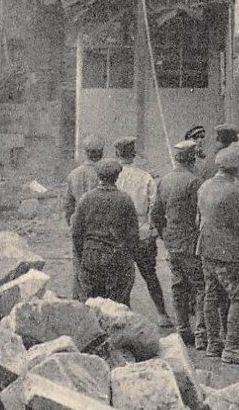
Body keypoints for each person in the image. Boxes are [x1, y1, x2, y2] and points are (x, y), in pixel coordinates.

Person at [197, 145, 239, 365]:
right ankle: (232, 347)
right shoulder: (235, 189)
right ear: (237, 167)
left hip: (206, 247)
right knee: (238, 297)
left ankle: (214, 343)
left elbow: (200, 218)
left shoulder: (205, 186)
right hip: (228, 251)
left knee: (211, 295)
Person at [151, 140, 206, 348]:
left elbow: (155, 213)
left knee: (178, 285)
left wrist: (164, 233)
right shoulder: (194, 182)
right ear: (192, 158)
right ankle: (201, 333)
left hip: (172, 239)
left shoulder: (165, 181)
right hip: (190, 241)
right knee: (201, 286)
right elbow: (200, 216)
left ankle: (183, 329)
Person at [114, 137, 172, 328]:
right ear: (133, 154)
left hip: (120, 234)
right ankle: (162, 314)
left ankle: (124, 314)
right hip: (142, 232)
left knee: (122, 277)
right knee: (150, 275)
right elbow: (155, 207)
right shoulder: (145, 177)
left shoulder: (113, 176)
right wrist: (153, 229)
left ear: (117, 154)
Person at [71, 158, 139, 304]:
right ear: (117, 177)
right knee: (117, 304)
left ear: (98, 176)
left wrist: (82, 254)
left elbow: (76, 232)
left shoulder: (86, 199)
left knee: (92, 304)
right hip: (116, 258)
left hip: (91, 257)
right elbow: (133, 235)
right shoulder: (125, 200)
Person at [63, 134, 104, 225]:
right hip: (100, 224)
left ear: (85, 152)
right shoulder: (105, 173)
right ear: (101, 152)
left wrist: (71, 224)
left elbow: (68, 204)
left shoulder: (74, 174)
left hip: (80, 222)